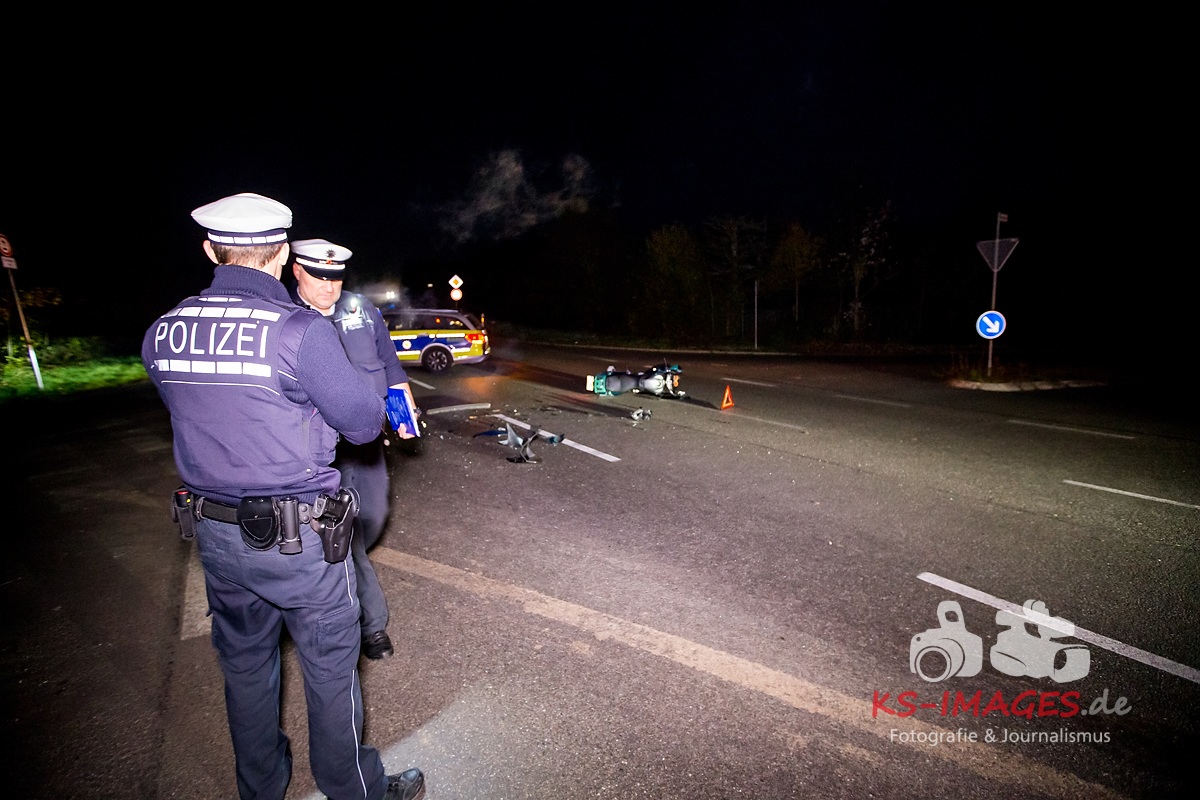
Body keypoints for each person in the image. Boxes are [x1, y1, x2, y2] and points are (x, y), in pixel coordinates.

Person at [141, 192, 425, 800]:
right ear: (280, 256)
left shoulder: (164, 330)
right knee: (330, 668)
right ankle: (355, 788)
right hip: (302, 542)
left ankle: (262, 787)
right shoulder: (298, 331)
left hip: (216, 536)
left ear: (210, 250)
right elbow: (359, 423)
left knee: (245, 669)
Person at [288, 237, 415, 660]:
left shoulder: (361, 310)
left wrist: (404, 412)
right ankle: (370, 624)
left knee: (371, 518)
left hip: (368, 443)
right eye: (318, 276)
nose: (329, 286)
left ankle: (346, 575)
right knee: (346, 537)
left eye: (336, 277)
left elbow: (390, 365)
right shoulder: (286, 319)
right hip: (321, 452)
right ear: (297, 271)